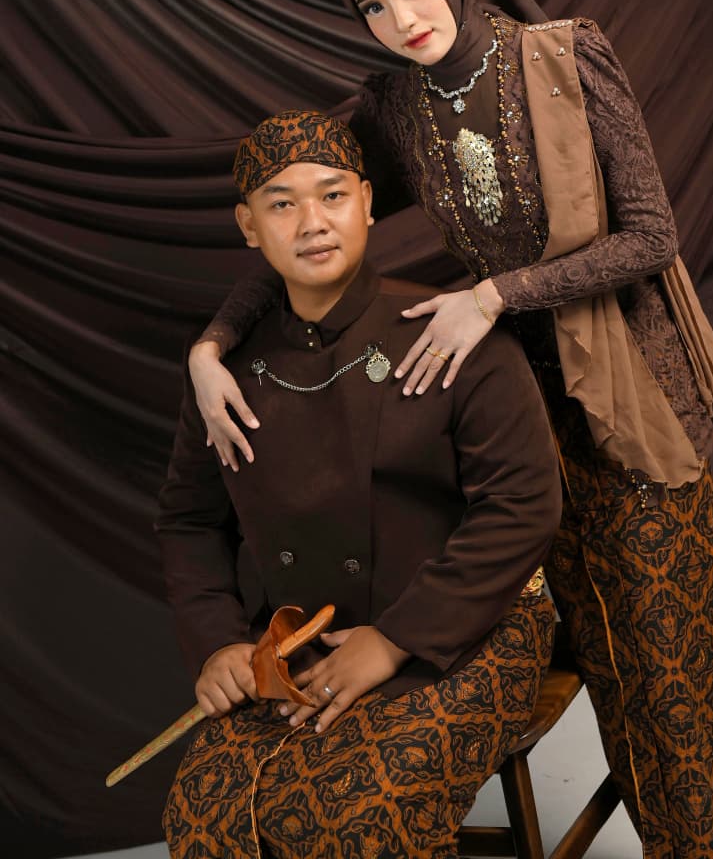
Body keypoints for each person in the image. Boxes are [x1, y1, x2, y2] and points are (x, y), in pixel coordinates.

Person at [189, 0, 713, 858]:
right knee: (600, 658)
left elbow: (651, 237)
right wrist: (211, 346)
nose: (401, 16)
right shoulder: (394, 107)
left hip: (628, 400)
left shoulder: (566, 57)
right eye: (371, 5)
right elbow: (307, 219)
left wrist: (492, 295)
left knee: (669, 669)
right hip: (514, 416)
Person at [156, 108, 562, 858]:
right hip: (301, 643)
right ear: (249, 227)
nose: (312, 222)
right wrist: (218, 645)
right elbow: (189, 521)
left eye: (333, 195)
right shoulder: (223, 371)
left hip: (467, 629)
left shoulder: (448, 330)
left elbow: (524, 504)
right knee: (203, 815)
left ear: (368, 204)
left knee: (355, 817)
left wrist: (397, 639)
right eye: (282, 204)